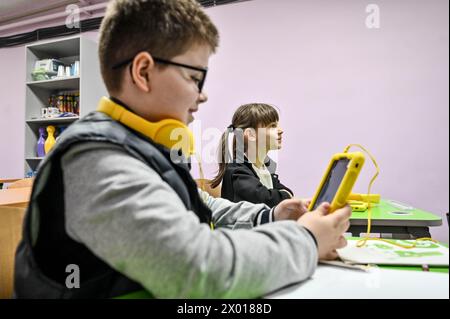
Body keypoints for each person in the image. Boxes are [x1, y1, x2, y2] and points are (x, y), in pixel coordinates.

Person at [14, 0, 350, 299]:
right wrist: (306, 240)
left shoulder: (145, 148)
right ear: (143, 71)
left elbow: (202, 205)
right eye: (195, 78)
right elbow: (197, 270)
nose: (202, 95)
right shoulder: (96, 159)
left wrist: (271, 215)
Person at [211, 103, 295, 207]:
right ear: (250, 134)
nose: (280, 131)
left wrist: (285, 195)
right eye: (273, 126)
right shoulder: (237, 171)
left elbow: (285, 193)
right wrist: (286, 195)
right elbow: (267, 199)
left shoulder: (264, 169)